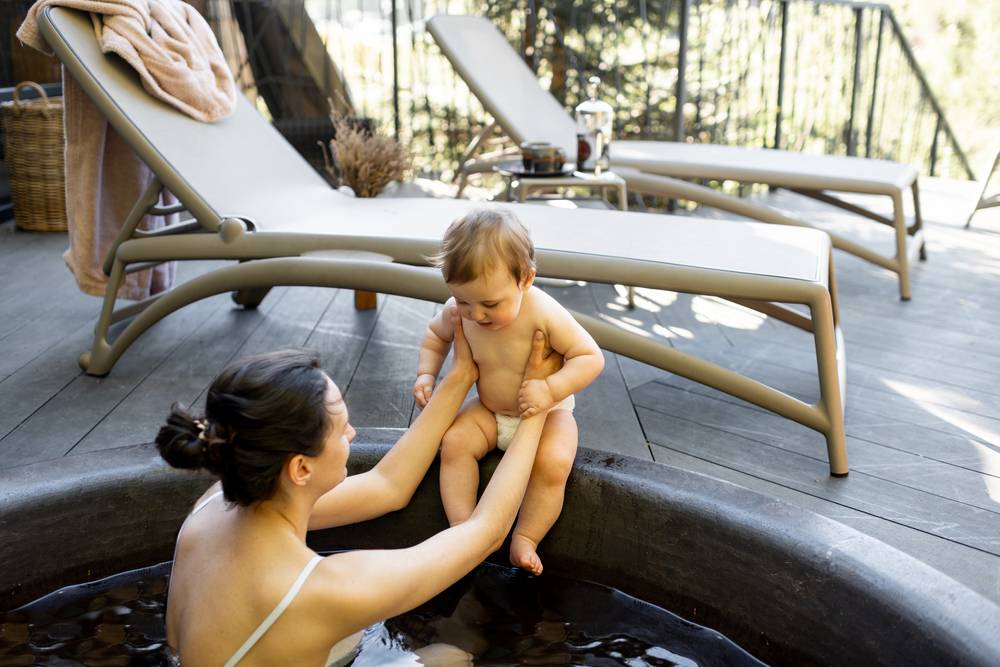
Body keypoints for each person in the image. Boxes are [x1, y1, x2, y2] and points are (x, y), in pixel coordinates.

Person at [156, 311, 561, 666]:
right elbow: (486, 532)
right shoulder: (321, 590)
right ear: (300, 468)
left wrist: (460, 377)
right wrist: (538, 407)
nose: (353, 432)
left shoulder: (214, 503)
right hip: (278, 623)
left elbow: (388, 486)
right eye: (341, 429)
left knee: (341, 636)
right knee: (450, 658)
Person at [413, 208, 604, 576]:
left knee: (555, 462)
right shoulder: (458, 311)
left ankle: (527, 537)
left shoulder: (543, 312)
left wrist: (550, 388)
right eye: (464, 300)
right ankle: (463, 528)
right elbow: (435, 336)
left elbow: (589, 357)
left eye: (490, 304)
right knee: (454, 443)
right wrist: (426, 373)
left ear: (526, 279)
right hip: (490, 411)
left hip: (549, 414)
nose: (476, 315)